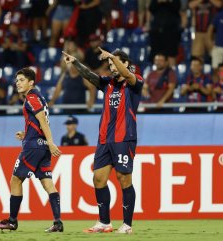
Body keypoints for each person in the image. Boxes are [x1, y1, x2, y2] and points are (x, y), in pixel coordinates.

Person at [63, 47, 144, 234]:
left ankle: (127, 225)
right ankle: (104, 222)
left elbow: (127, 75)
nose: (112, 67)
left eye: (115, 63)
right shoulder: (108, 83)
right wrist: (75, 63)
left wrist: (113, 58)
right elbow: (90, 76)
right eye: (109, 64)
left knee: (124, 179)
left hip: (124, 138)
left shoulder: (135, 81)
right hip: (104, 139)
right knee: (98, 179)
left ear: (126, 64)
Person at [0, 67, 63, 232]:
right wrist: (27, 134)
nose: (18, 83)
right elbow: (39, 123)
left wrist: (51, 142)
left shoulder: (31, 98)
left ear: (31, 82)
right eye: (17, 81)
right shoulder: (40, 98)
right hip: (40, 145)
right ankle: (58, 223)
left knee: (15, 180)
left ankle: (12, 221)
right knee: (48, 183)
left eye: (22, 80)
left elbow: (43, 121)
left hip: (34, 147)